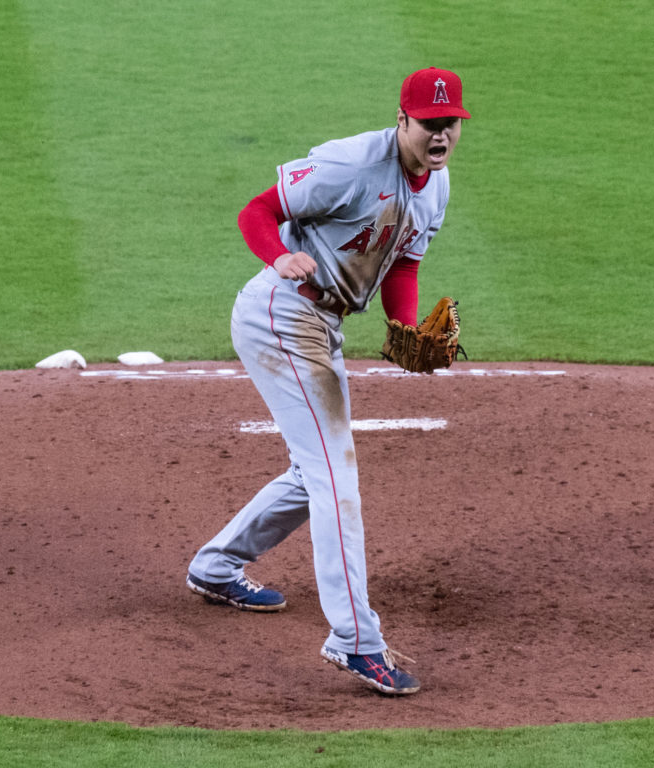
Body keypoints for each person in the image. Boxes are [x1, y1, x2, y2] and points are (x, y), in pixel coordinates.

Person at [186, 67, 471, 696]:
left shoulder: (438, 186)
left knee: (313, 469)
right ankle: (355, 641)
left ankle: (216, 566)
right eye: (429, 123)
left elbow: (404, 263)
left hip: (324, 324)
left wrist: (405, 332)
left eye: (450, 124)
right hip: (281, 314)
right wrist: (278, 255)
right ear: (403, 120)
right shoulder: (349, 165)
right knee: (335, 476)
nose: (441, 135)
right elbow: (259, 210)